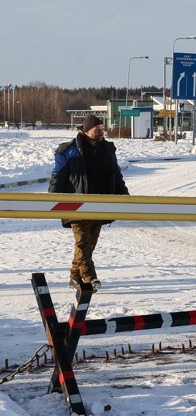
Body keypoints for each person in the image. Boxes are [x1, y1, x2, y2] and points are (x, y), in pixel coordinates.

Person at [49, 115, 129, 290]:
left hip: (100, 204)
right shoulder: (69, 151)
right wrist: (53, 197)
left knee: (89, 244)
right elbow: (58, 175)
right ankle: (89, 277)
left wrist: (124, 194)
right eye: (97, 129)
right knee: (83, 242)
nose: (102, 132)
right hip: (76, 205)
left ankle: (74, 276)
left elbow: (116, 174)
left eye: (102, 128)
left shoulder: (107, 149)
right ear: (86, 131)